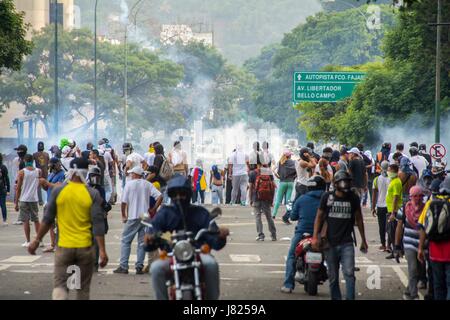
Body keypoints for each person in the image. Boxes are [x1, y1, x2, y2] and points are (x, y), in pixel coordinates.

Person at [28, 157, 108, 300]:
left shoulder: (58, 191)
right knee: (82, 289)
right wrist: (102, 251)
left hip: (64, 247)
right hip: (85, 248)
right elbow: (98, 223)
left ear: (70, 172)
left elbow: (47, 219)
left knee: (60, 286)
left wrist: (36, 240)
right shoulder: (92, 193)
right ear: (86, 172)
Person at [144, 175, 229, 300]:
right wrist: (150, 238)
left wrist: (220, 235)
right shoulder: (164, 213)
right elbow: (154, 233)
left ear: (188, 194)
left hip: (198, 253)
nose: (179, 197)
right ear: (171, 195)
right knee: (156, 268)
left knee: (211, 264)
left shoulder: (200, 213)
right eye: (175, 194)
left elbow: (215, 241)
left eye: (182, 193)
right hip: (172, 254)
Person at [312, 171, 368, 300]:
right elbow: (319, 217)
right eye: (343, 181)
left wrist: (363, 240)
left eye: (347, 181)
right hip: (329, 242)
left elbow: (359, 219)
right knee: (333, 277)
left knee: (349, 273)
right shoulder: (327, 197)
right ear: (335, 184)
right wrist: (315, 236)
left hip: (346, 243)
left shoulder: (353, 198)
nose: (345, 184)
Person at [281, 175, 326, 293]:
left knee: (292, 256)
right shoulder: (328, 199)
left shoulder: (301, 199)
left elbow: (293, 216)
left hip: (302, 233)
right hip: (323, 235)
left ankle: (288, 285)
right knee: (334, 256)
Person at [114, 166, 162, 275]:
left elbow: (123, 202)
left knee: (126, 241)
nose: (130, 175)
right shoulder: (147, 184)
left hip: (133, 216)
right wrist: (154, 208)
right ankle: (139, 266)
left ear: (136, 174)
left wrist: (123, 215)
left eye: (132, 174)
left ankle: (123, 266)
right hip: (145, 216)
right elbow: (160, 196)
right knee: (141, 242)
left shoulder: (129, 185)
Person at [418, 177, 450, 300]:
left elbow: (422, 227)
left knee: (438, 285)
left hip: (434, 251)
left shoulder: (430, 204)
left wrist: (420, 248)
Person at [395, 186, 426, 300]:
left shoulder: (426, 209)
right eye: (415, 196)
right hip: (408, 244)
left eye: (420, 196)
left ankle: (408, 292)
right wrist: (397, 246)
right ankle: (414, 295)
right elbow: (399, 228)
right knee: (412, 269)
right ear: (410, 197)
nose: (417, 198)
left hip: (422, 245)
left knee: (418, 271)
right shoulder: (404, 209)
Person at [87, 166, 112, 272]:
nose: (95, 178)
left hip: (98, 218)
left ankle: (94, 264)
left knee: (96, 242)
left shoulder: (100, 189)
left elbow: (104, 205)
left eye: (97, 176)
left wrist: (106, 208)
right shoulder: (86, 188)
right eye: (93, 176)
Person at [15, 154, 42, 248]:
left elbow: (18, 188)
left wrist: (16, 202)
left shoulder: (21, 172)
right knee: (36, 219)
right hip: (34, 198)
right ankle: (39, 241)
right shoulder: (39, 171)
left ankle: (28, 241)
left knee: (25, 220)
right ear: (33, 160)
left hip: (24, 199)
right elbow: (38, 184)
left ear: (25, 161)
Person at [39, 157, 66, 252]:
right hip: (50, 202)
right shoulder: (51, 175)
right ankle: (53, 244)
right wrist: (43, 184)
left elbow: (60, 186)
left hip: (59, 202)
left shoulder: (63, 174)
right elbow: (47, 188)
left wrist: (46, 183)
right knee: (50, 225)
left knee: (59, 225)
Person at [372, 161, 390, 252]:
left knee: (381, 226)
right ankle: (389, 245)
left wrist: (372, 207)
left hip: (380, 206)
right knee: (390, 226)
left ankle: (383, 244)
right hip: (389, 206)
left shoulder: (376, 179)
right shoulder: (392, 179)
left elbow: (374, 195)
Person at [273, 149, 297, 219]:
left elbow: (273, 170)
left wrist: (278, 176)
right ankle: (288, 215)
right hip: (291, 183)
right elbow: (297, 172)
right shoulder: (294, 162)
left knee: (278, 200)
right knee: (288, 200)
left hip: (282, 182)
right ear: (290, 156)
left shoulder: (280, 162)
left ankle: (273, 215)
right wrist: (293, 178)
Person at [386, 163, 403, 259]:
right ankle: (395, 250)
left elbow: (395, 198)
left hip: (394, 211)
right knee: (390, 231)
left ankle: (396, 251)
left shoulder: (396, 182)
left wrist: (393, 213)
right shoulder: (392, 181)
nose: (388, 172)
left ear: (395, 172)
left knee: (393, 232)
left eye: (390, 170)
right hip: (390, 209)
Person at [33, 141, 50, 206]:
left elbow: (31, 163)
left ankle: (40, 201)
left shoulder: (35, 154)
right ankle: (48, 200)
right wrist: (47, 169)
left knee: (38, 188)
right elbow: (49, 164)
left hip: (38, 173)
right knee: (47, 186)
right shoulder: (47, 154)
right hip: (45, 173)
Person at [0, 153, 11, 225]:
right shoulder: (3, 167)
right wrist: (8, 190)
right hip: (2, 188)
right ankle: (4, 220)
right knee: (3, 204)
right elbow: (7, 179)